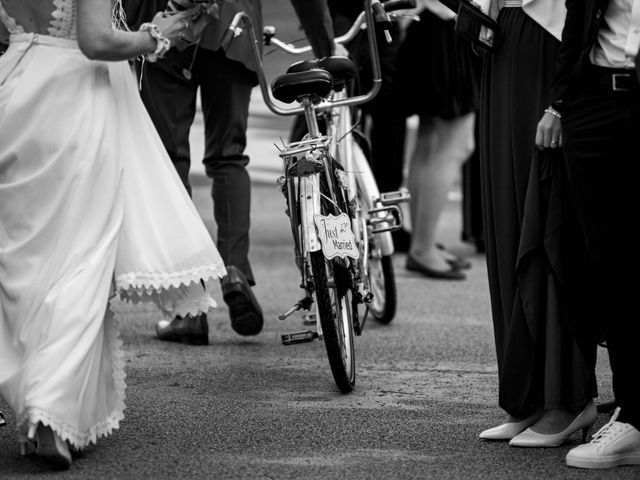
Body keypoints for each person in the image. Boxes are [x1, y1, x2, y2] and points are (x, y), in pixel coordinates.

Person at [0, 0, 226, 469]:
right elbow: (96, 40)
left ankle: (38, 391)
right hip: (74, 105)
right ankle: (49, 408)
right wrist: (156, 35)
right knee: (82, 258)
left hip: (15, 93)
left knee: (21, 257)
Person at [127, 0, 337, 344]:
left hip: (165, 23)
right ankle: (235, 269)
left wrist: (124, 33)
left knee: (170, 162)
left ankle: (188, 307)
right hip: (233, 28)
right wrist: (325, 47)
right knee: (229, 157)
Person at [476, 0, 598, 447]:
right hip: (501, 32)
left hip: (550, 33)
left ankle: (566, 396)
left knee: (546, 215)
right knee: (507, 217)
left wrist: (562, 101)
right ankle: (527, 398)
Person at [546, 0, 640, 469]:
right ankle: (633, 416)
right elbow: (577, 15)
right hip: (596, 103)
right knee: (612, 267)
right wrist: (561, 102)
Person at [393, 0, 479, 280]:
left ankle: (423, 243)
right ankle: (423, 247)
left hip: (427, 28)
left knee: (430, 140)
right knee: (455, 144)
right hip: (446, 28)